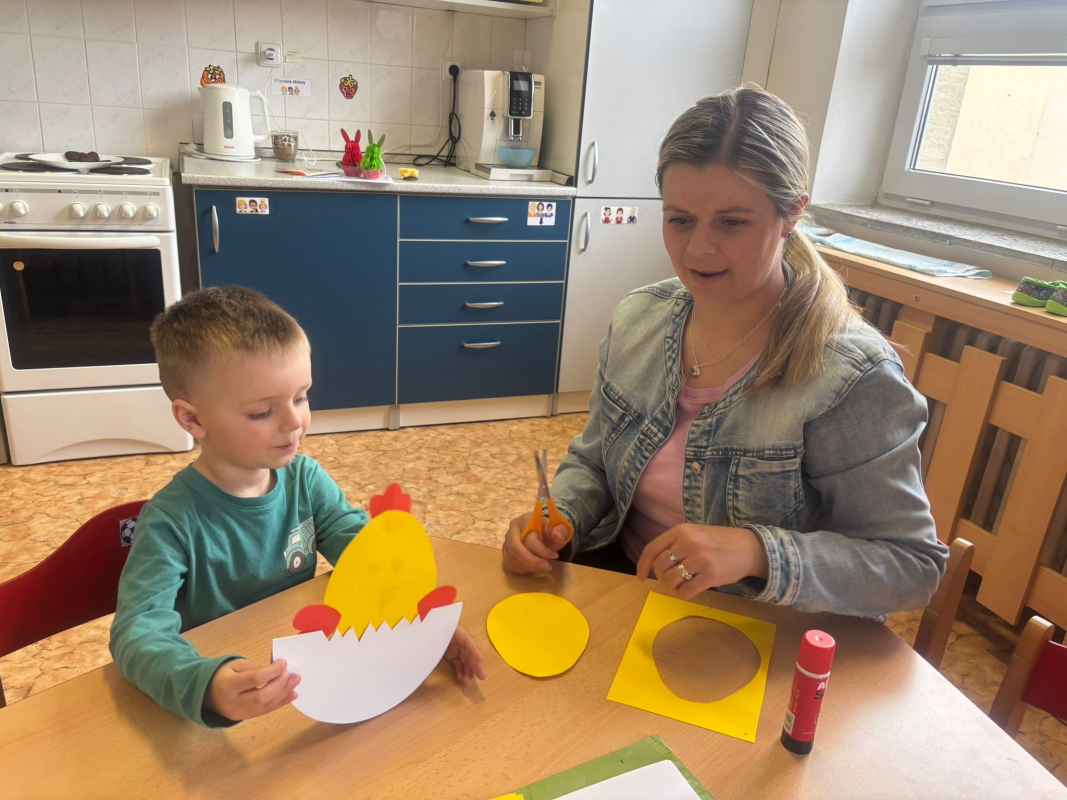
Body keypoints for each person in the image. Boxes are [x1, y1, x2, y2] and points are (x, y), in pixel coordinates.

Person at [501, 87, 948, 619]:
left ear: (792, 213)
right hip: (630, 591)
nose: (698, 249)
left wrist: (758, 552)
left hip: (754, 624)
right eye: (680, 219)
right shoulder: (640, 317)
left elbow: (910, 567)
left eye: (732, 222)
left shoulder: (851, 376)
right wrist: (562, 517)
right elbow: (595, 459)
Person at [110, 287, 485, 727]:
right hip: (238, 693)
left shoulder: (306, 479)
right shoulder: (170, 522)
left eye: (301, 397)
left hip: (309, 678)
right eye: (261, 412)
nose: (295, 422)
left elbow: (367, 556)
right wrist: (205, 685)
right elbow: (136, 632)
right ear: (192, 419)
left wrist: (419, 620)